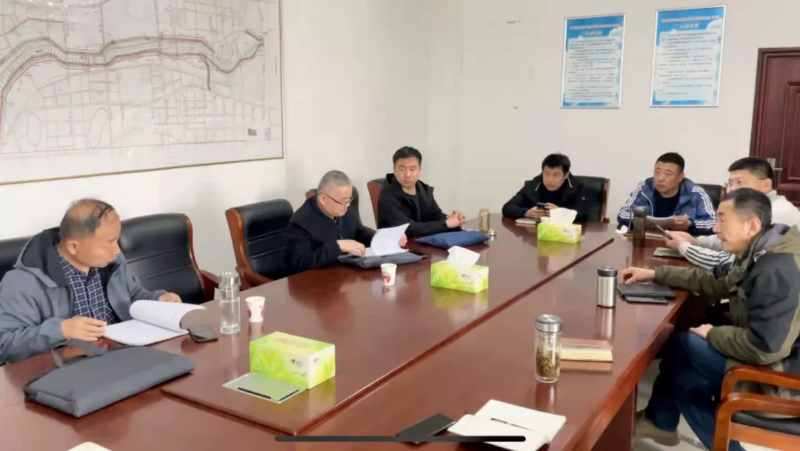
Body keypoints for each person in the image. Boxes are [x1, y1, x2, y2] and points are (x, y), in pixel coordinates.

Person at [620, 189, 800, 451]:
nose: (715, 229)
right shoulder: (762, 249)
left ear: (751, 225)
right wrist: (655, 274)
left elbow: (765, 347)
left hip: (784, 379)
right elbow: (717, 280)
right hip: (777, 359)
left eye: (722, 220)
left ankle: (662, 423)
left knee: (684, 344)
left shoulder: (776, 270)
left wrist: (713, 334)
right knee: (685, 379)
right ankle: (662, 423)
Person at [0, 199, 182, 364]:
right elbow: (4, 344)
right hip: (69, 369)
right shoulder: (22, 282)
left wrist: (158, 300)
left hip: (122, 356)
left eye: (117, 240)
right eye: (109, 242)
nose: (117, 250)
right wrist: (61, 330)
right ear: (73, 247)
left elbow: (135, 296)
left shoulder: (112, 262)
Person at [664, 157, 800, 270]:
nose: (732, 189)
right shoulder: (757, 207)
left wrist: (685, 247)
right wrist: (696, 241)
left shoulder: (776, 213)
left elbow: (729, 263)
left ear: (766, 185)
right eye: (730, 183)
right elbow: (729, 238)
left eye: (739, 182)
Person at [285, 170, 406, 275]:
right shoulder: (301, 222)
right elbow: (300, 263)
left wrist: (387, 239)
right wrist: (337, 246)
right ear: (323, 199)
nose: (347, 205)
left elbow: (361, 235)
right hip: (317, 284)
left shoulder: (346, 209)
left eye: (349, 200)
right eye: (343, 201)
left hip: (347, 275)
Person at [617, 152, 716, 235]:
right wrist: (641, 221)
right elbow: (623, 214)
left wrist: (690, 225)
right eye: (657, 172)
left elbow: (714, 223)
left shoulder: (696, 193)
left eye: (668, 174)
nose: (660, 178)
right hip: (648, 241)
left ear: (680, 177)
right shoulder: (644, 188)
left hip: (679, 245)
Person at [377, 146, 465, 238]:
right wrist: (446, 224)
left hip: (422, 240)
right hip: (399, 244)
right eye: (402, 169)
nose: (407, 174)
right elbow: (408, 228)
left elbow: (435, 215)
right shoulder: (387, 197)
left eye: (412, 169)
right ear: (394, 170)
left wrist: (451, 218)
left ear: (419, 170)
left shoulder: (423, 189)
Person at [502, 153, 587, 222]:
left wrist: (559, 213)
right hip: (535, 233)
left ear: (566, 175)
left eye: (556, 175)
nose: (550, 180)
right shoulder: (534, 184)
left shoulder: (576, 187)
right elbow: (507, 208)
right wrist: (527, 213)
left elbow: (583, 213)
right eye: (546, 174)